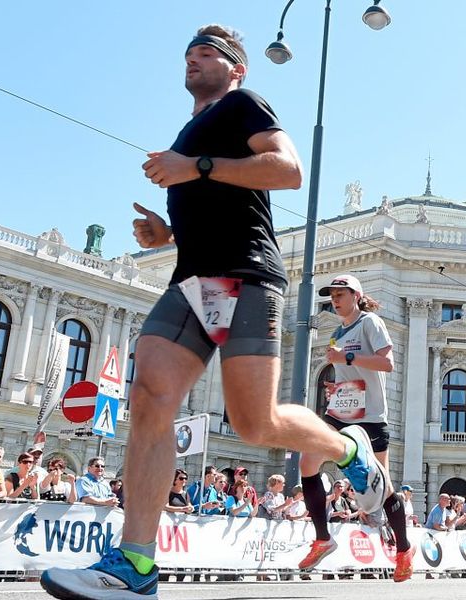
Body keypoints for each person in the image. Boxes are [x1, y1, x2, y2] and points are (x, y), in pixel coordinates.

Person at [41, 24, 387, 600]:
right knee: (150, 396)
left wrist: (194, 167)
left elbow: (287, 170)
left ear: (237, 69)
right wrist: (169, 234)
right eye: (190, 54)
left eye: (211, 54)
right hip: (191, 281)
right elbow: (220, 213)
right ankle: (135, 563)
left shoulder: (242, 106)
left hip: (248, 277)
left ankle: (347, 448)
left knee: (255, 424)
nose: (195, 60)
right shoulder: (190, 130)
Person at [296, 274, 412, 581]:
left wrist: (346, 356)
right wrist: (335, 385)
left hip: (370, 415)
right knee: (308, 461)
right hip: (341, 411)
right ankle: (323, 537)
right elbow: (351, 373)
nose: (334, 299)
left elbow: (386, 364)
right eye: (331, 295)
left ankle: (403, 550)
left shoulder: (370, 322)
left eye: (340, 294)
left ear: (355, 296)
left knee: (384, 488)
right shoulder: (336, 332)